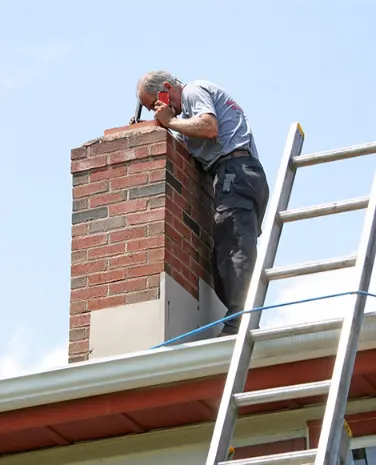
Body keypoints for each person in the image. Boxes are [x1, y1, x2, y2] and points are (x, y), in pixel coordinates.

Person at [136, 71, 269, 336]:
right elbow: (191, 136)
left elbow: (209, 127)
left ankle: (239, 323)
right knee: (223, 255)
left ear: (166, 89)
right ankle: (239, 317)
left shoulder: (193, 91)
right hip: (240, 174)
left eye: (155, 104)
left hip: (235, 170)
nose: (156, 111)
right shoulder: (186, 116)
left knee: (233, 246)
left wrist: (169, 122)